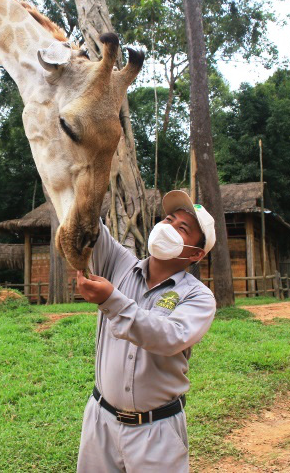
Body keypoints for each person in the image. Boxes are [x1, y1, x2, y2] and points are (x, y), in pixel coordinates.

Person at [75, 189, 217, 472]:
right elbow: (87, 222)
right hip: (99, 421)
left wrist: (111, 300)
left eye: (182, 228)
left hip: (157, 432)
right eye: (168, 219)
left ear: (196, 253)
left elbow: (169, 337)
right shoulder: (120, 264)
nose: (168, 227)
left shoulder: (199, 298)